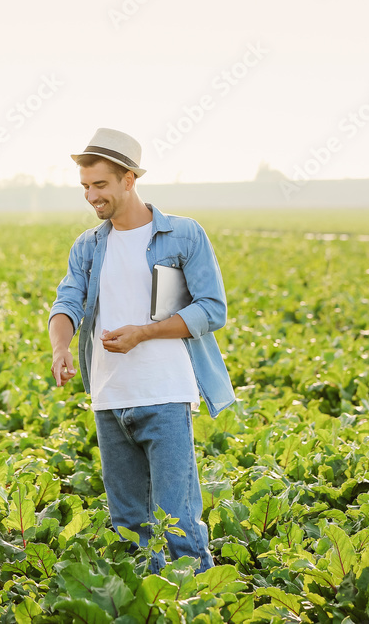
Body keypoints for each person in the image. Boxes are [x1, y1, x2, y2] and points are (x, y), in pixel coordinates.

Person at [48, 128, 235, 573]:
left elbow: (212, 309)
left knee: (179, 523)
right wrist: (60, 347)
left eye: (100, 185)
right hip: (110, 400)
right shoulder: (89, 246)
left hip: (166, 394)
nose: (92, 196)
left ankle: (198, 605)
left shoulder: (183, 235)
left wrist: (143, 333)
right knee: (130, 527)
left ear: (129, 179)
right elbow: (67, 302)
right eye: (85, 187)